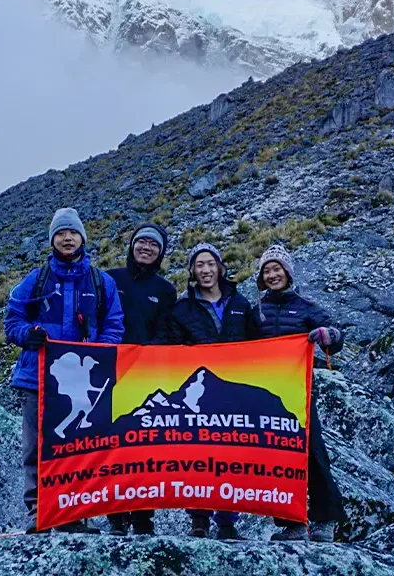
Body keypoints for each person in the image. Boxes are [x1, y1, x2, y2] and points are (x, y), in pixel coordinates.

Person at [4, 207, 125, 533]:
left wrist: (97, 351)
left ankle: (74, 515)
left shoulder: (102, 282)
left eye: (72, 232)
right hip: (38, 380)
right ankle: (39, 514)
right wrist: (27, 336)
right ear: (52, 240)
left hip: (82, 383)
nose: (67, 238)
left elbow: (115, 325)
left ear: (82, 238)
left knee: (79, 449)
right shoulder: (35, 280)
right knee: (36, 449)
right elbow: (13, 320)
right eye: (60, 233)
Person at [166, 242, 261, 540]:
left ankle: (228, 522)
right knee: (198, 454)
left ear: (220, 268)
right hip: (201, 392)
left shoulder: (241, 304)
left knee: (233, 454)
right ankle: (199, 519)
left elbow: (258, 342)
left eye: (210, 264)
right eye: (199, 265)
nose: (205, 270)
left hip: (232, 390)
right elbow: (169, 345)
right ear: (192, 271)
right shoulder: (182, 308)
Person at [254, 243, 347, 542]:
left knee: (313, 453)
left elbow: (335, 334)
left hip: (301, 391)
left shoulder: (306, 306)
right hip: (266, 393)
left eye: (276, 269)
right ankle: (291, 523)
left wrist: (327, 336)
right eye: (267, 271)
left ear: (288, 273)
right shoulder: (255, 310)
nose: (272, 275)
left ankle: (326, 520)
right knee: (277, 456)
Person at [104, 222, 176, 537]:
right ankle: (116, 517)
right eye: (141, 242)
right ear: (132, 245)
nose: (146, 248)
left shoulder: (166, 290)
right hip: (108, 374)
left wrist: (146, 354)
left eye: (154, 245)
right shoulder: (110, 279)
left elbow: (166, 331)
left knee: (146, 449)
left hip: (147, 376)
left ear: (160, 253)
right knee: (111, 446)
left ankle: (144, 517)